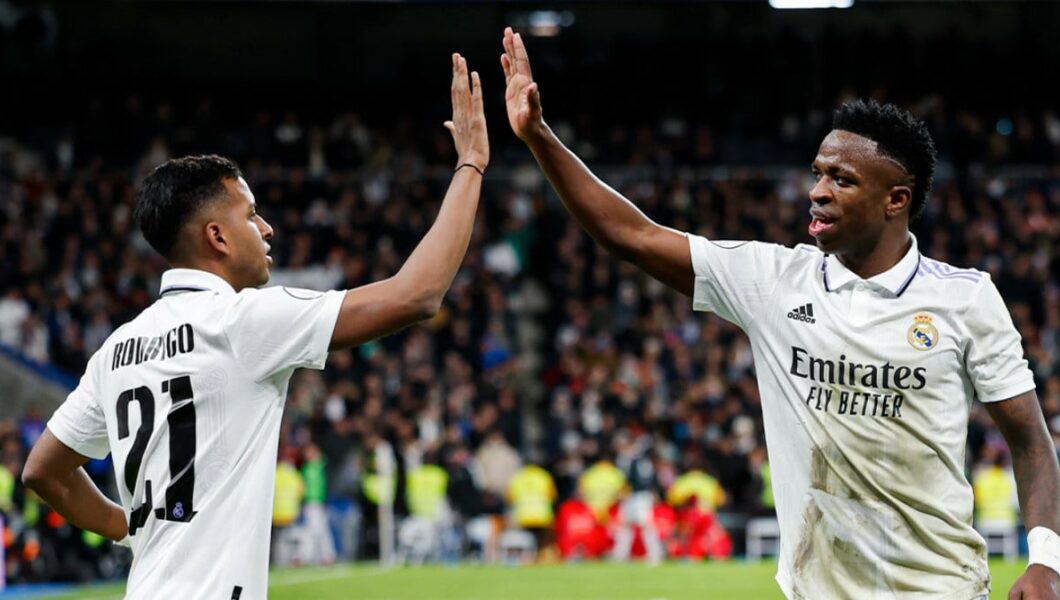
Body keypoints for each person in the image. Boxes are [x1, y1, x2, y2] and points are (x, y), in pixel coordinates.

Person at [500, 27, 1060, 599]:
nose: (818, 191)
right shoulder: (772, 281)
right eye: (818, 173)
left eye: (842, 179)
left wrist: (1045, 560)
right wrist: (539, 137)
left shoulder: (966, 299)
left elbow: (1030, 439)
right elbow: (632, 235)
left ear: (896, 200)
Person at [21, 53, 489, 598]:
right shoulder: (242, 322)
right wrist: (471, 165)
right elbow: (417, 294)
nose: (266, 228)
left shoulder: (116, 349)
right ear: (217, 237)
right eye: (250, 214)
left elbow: (43, 471)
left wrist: (131, 530)